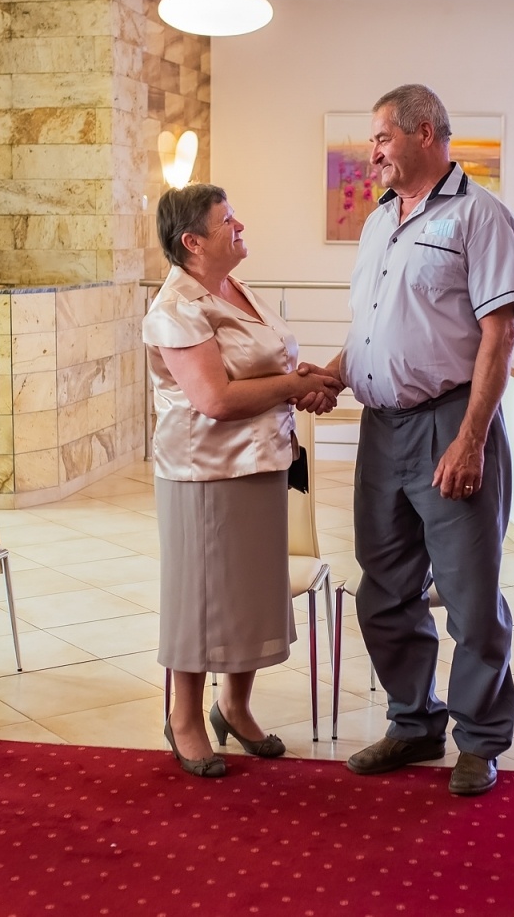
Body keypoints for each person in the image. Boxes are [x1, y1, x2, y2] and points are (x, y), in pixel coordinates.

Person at [324, 84, 514, 798]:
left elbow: (499, 335)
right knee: (382, 591)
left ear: (422, 131)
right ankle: (414, 722)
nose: (372, 151)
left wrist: (472, 438)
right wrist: (331, 374)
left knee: (471, 599)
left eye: (380, 137)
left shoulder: (481, 217)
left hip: (452, 422)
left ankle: (479, 739)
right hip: (382, 429)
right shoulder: (380, 222)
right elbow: (372, 328)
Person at [143, 184, 342, 778]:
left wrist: (301, 376)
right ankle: (183, 719)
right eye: (227, 220)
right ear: (193, 242)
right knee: (201, 600)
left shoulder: (233, 287)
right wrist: (293, 388)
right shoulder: (175, 308)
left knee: (249, 595)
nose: (240, 224)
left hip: (262, 463)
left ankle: (235, 706)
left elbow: (263, 362)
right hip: (204, 473)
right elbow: (215, 398)